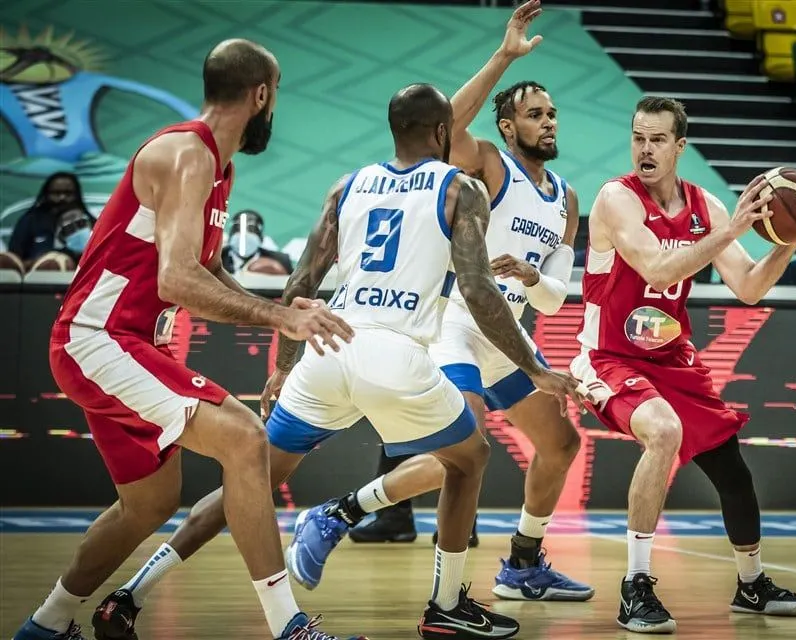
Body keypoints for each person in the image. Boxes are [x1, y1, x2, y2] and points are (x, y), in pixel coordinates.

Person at [96, 83, 584, 640]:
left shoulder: (347, 185)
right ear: (444, 134)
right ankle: (445, 606)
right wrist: (537, 368)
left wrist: (282, 366)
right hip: (397, 354)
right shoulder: (462, 189)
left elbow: (302, 283)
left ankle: (129, 595)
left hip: (328, 350)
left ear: (394, 130)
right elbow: (478, 290)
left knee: (249, 480)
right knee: (468, 457)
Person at [13, 39, 359, 640]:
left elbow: (207, 272)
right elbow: (177, 278)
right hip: (100, 340)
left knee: (149, 503)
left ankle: (46, 625)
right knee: (246, 439)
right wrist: (280, 322)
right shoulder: (186, 154)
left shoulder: (217, 168)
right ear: (261, 96)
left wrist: (280, 309)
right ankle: (288, 629)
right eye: (274, 97)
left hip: (116, 345)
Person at [330, 0, 595, 604]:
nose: (549, 121)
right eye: (534, 114)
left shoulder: (567, 199)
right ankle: (345, 513)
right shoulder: (485, 165)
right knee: (463, 453)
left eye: (552, 113)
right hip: (454, 320)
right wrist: (505, 56)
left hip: (505, 331)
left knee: (560, 444)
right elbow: (444, 123)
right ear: (508, 127)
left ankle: (524, 564)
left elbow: (555, 299)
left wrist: (532, 277)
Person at [570, 96, 796, 633]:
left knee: (731, 468)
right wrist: (728, 233)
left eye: (657, 139)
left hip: (672, 359)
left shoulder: (707, 206)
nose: (645, 149)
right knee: (664, 431)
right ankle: (635, 586)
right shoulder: (616, 198)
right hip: (608, 355)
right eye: (638, 137)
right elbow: (656, 268)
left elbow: (749, 287)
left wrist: (789, 242)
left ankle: (751, 584)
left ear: (680, 147)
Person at [7, 172, 90, 269]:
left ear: (77, 195)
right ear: (46, 195)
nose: (62, 198)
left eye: (68, 193)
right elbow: (14, 259)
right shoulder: (30, 220)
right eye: (56, 193)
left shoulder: (91, 223)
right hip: (31, 278)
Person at [221, 209, 294, 274]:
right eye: (237, 229)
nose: (244, 236)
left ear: (261, 238)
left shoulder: (280, 260)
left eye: (251, 230)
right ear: (230, 236)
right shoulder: (217, 259)